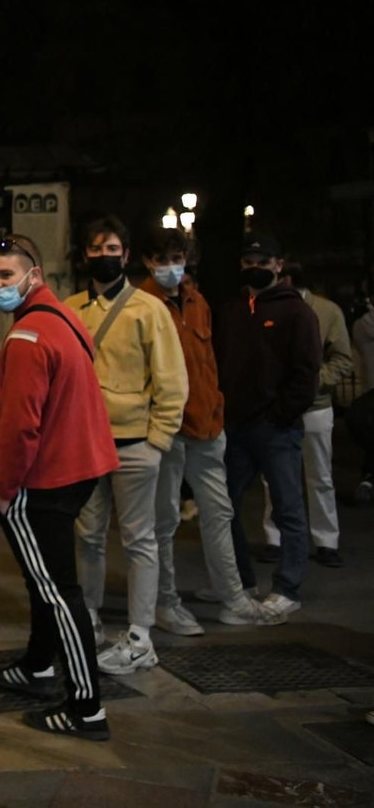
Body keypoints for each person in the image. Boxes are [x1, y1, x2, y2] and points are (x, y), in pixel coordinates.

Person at [0, 234, 119, 741]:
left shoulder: (26, 338)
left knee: (59, 592)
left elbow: (20, 426)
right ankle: (39, 664)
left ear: (33, 275)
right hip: (81, 469)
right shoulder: (63, 318)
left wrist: (5, 486)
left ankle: (87, 710)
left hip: (45, 480)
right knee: (45, 577)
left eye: (5, 275)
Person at [64, 217, 188, 675]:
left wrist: (157, 441)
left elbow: (173, 382)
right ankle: (89, 619)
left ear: (128, 254)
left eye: (112, 247)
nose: (104, 255)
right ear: (84, 256)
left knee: (140, 539)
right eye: (96, 248)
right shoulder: (70, 309)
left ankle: (140, 636)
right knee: (88, 535)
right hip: (85, 445)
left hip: (135, 444)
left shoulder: (149, 310)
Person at [139, 229, 280, 630]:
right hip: (166, 429)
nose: (172, 266)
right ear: (148, 260)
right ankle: (165, 602)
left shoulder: (197, 303)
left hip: (205, 425)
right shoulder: (142, 305)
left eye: (177, 257)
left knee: (219, 512)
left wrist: (216, 406)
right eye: (164, 258)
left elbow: (207, 362)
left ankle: (233, 597)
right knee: (164, 520)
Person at [215, 234, 322, 620]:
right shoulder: (232, 311)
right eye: (248, 261)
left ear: (279, 265)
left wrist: (279, 415)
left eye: (263, 261)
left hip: (276, 429)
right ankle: (240, 582)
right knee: (223, 506)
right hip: (237, 427)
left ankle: (287, 588)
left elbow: (306, 373)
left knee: (288, 509)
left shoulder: (297, 313)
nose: (255, 267)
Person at [258, 262, 354, 567]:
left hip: (314, 405)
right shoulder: (264, 307)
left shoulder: (326, 311)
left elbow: (342, 357)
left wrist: (314, 380)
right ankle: (274, 537)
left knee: (319, 475)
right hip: (279, 404)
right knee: (274, 476)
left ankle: (326, 539)